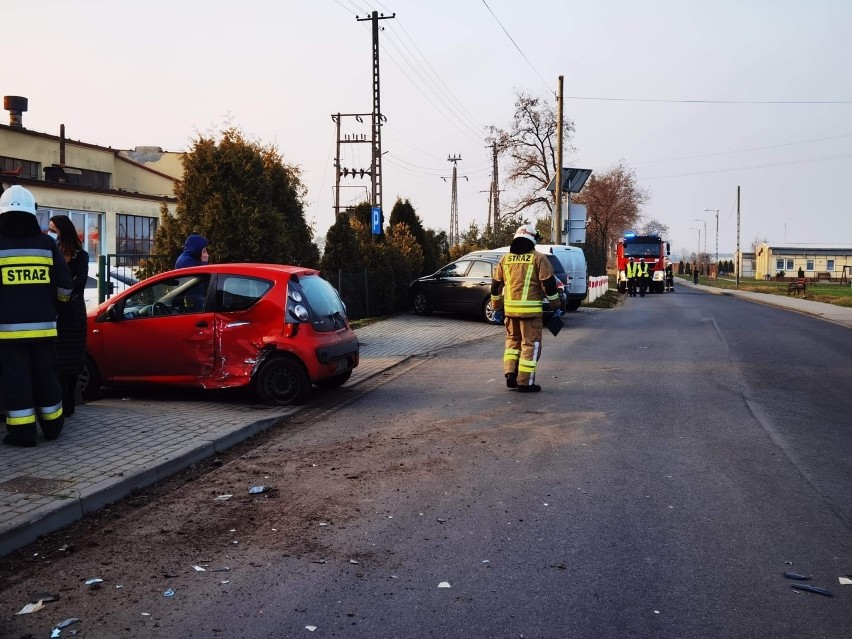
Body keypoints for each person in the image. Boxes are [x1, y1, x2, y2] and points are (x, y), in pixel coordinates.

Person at [0, 186, 73, 446]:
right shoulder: (46, 243)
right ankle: (53, 427)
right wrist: (55, 306)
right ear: (32, 212)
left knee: (16, 382)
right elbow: (65, 286)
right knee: (47, 379)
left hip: (7, 335)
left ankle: (23, 434)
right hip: (44, 331)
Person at [490, 224, 561, 393]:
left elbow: (495, 287)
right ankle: (525, 382)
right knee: (530, 345)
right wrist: (556, 306)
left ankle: (510, 374)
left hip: (510, 312)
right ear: (532, 239)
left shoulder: (505, 259)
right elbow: (549, 285)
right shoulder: (539, 258)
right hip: (531, 313)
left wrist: (497, 308)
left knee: (512, 343)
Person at [49, 215, 89, 417]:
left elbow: (80, 281)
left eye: (53, 230)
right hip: (58, 314)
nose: (51, 234)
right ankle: (61, 402)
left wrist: (66, 287)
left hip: (74, 314)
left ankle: (70, 401)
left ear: (63, 231)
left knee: (73, 360)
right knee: (59, 360)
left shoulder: (80, 255)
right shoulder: (53, 251)